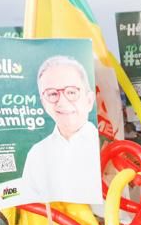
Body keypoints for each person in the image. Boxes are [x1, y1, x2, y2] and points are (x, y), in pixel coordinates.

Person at [22, 55, 102, 205]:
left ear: (89, 100)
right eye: (52, 94)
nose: (63, 101)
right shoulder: (36, 154)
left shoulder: (105, 144)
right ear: (43, 103)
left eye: (71, 92)